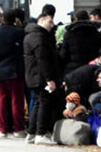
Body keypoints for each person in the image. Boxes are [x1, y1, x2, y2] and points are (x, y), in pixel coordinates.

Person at [0, 8, 26, 138]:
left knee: (1, 100)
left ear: (2, 18)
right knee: (17, 100)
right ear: (15, 19)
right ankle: (18, 128)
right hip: (15, 70)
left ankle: (3, 129)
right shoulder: (20, 33)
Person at [24, 13, 60, 145]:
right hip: (40, 76)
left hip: (33, 75)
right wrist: (49, 79)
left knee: (38, 103)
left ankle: (31, 133)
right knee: (44, 102)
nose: (52, 25)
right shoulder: (40, 37)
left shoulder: (30, 35)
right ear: (42, 20)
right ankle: (40, 133)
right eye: (50, 22)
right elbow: (43, 59)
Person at [59, 9, 101, 75]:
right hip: (92, 69)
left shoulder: (69, 34)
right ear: (88, 18)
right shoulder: (96, 33)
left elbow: (64, 54)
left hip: (73, 70)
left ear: (75, 19)